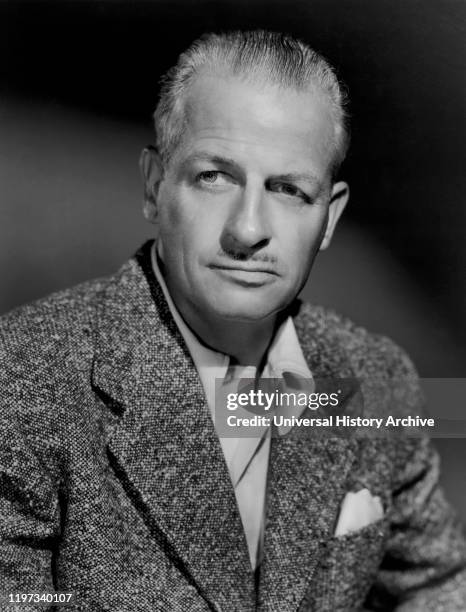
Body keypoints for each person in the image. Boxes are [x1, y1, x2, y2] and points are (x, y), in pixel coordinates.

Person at [0, 30, 465, 612]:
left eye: (289, 189)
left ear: (329, 218)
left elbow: (435, 584)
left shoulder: (375, 378)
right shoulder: (24, 372)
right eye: (214, 177)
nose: (248, 230)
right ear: (153, 186)